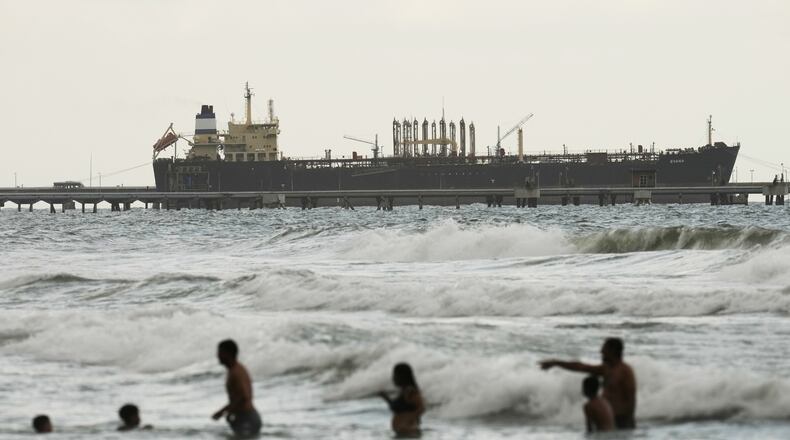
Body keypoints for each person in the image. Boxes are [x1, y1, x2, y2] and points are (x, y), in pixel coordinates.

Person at [540, 337, 637, 429]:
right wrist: (556, 363)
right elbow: (581, 367)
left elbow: (631, 400)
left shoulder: (625, 371)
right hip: (607, 421)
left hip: (622, 423)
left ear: (613, 351)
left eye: (604, 349)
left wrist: (627, 423)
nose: (601, 352)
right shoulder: (606, 369)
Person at [212, 339, 262, 437]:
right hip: (244, 418)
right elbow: (238, 397)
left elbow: (244, 396)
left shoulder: (236, 372)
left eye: (220, 352)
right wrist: (225, 412)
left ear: (228, 353)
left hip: (247, 418)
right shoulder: (233, 370)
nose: (217, 356)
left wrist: (224, 412)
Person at [379, 363, 425, 437]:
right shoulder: (403, 391)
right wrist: (386, 398)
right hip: (402, 433)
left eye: (395, 375)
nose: (393, 378)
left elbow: (422, 408)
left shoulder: (410, 391)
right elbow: (399, 410)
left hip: (409, 433)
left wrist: (408, 418)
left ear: (402, 376)